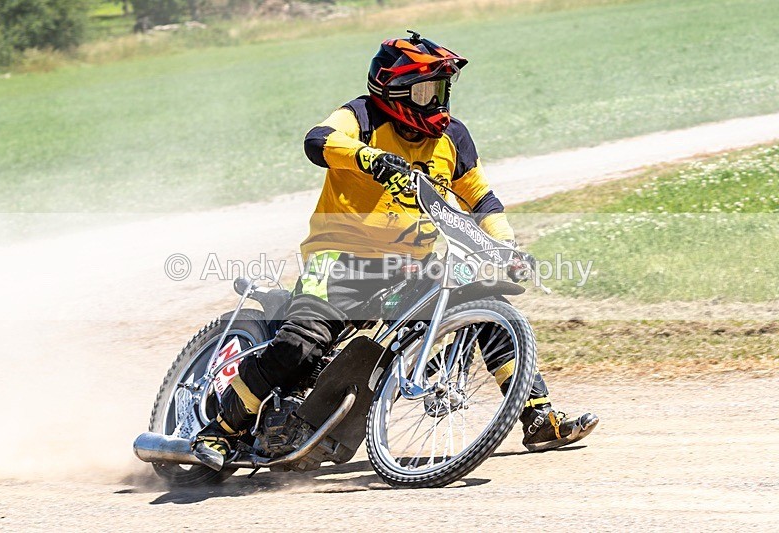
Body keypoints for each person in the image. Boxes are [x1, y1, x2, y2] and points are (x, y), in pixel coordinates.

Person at [193, 32, 598, 469]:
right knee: (302, 344)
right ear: (394, 89)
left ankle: (536, 415)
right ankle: (220, 429)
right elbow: (317, 140)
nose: (439, 102)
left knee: (484, 302)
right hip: (339, 259)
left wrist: (507, 247)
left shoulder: (454, 138)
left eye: (442, 90)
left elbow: (482, 199)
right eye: (427, 90)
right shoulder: (361, 117)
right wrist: (367, 157)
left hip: (411, 267)